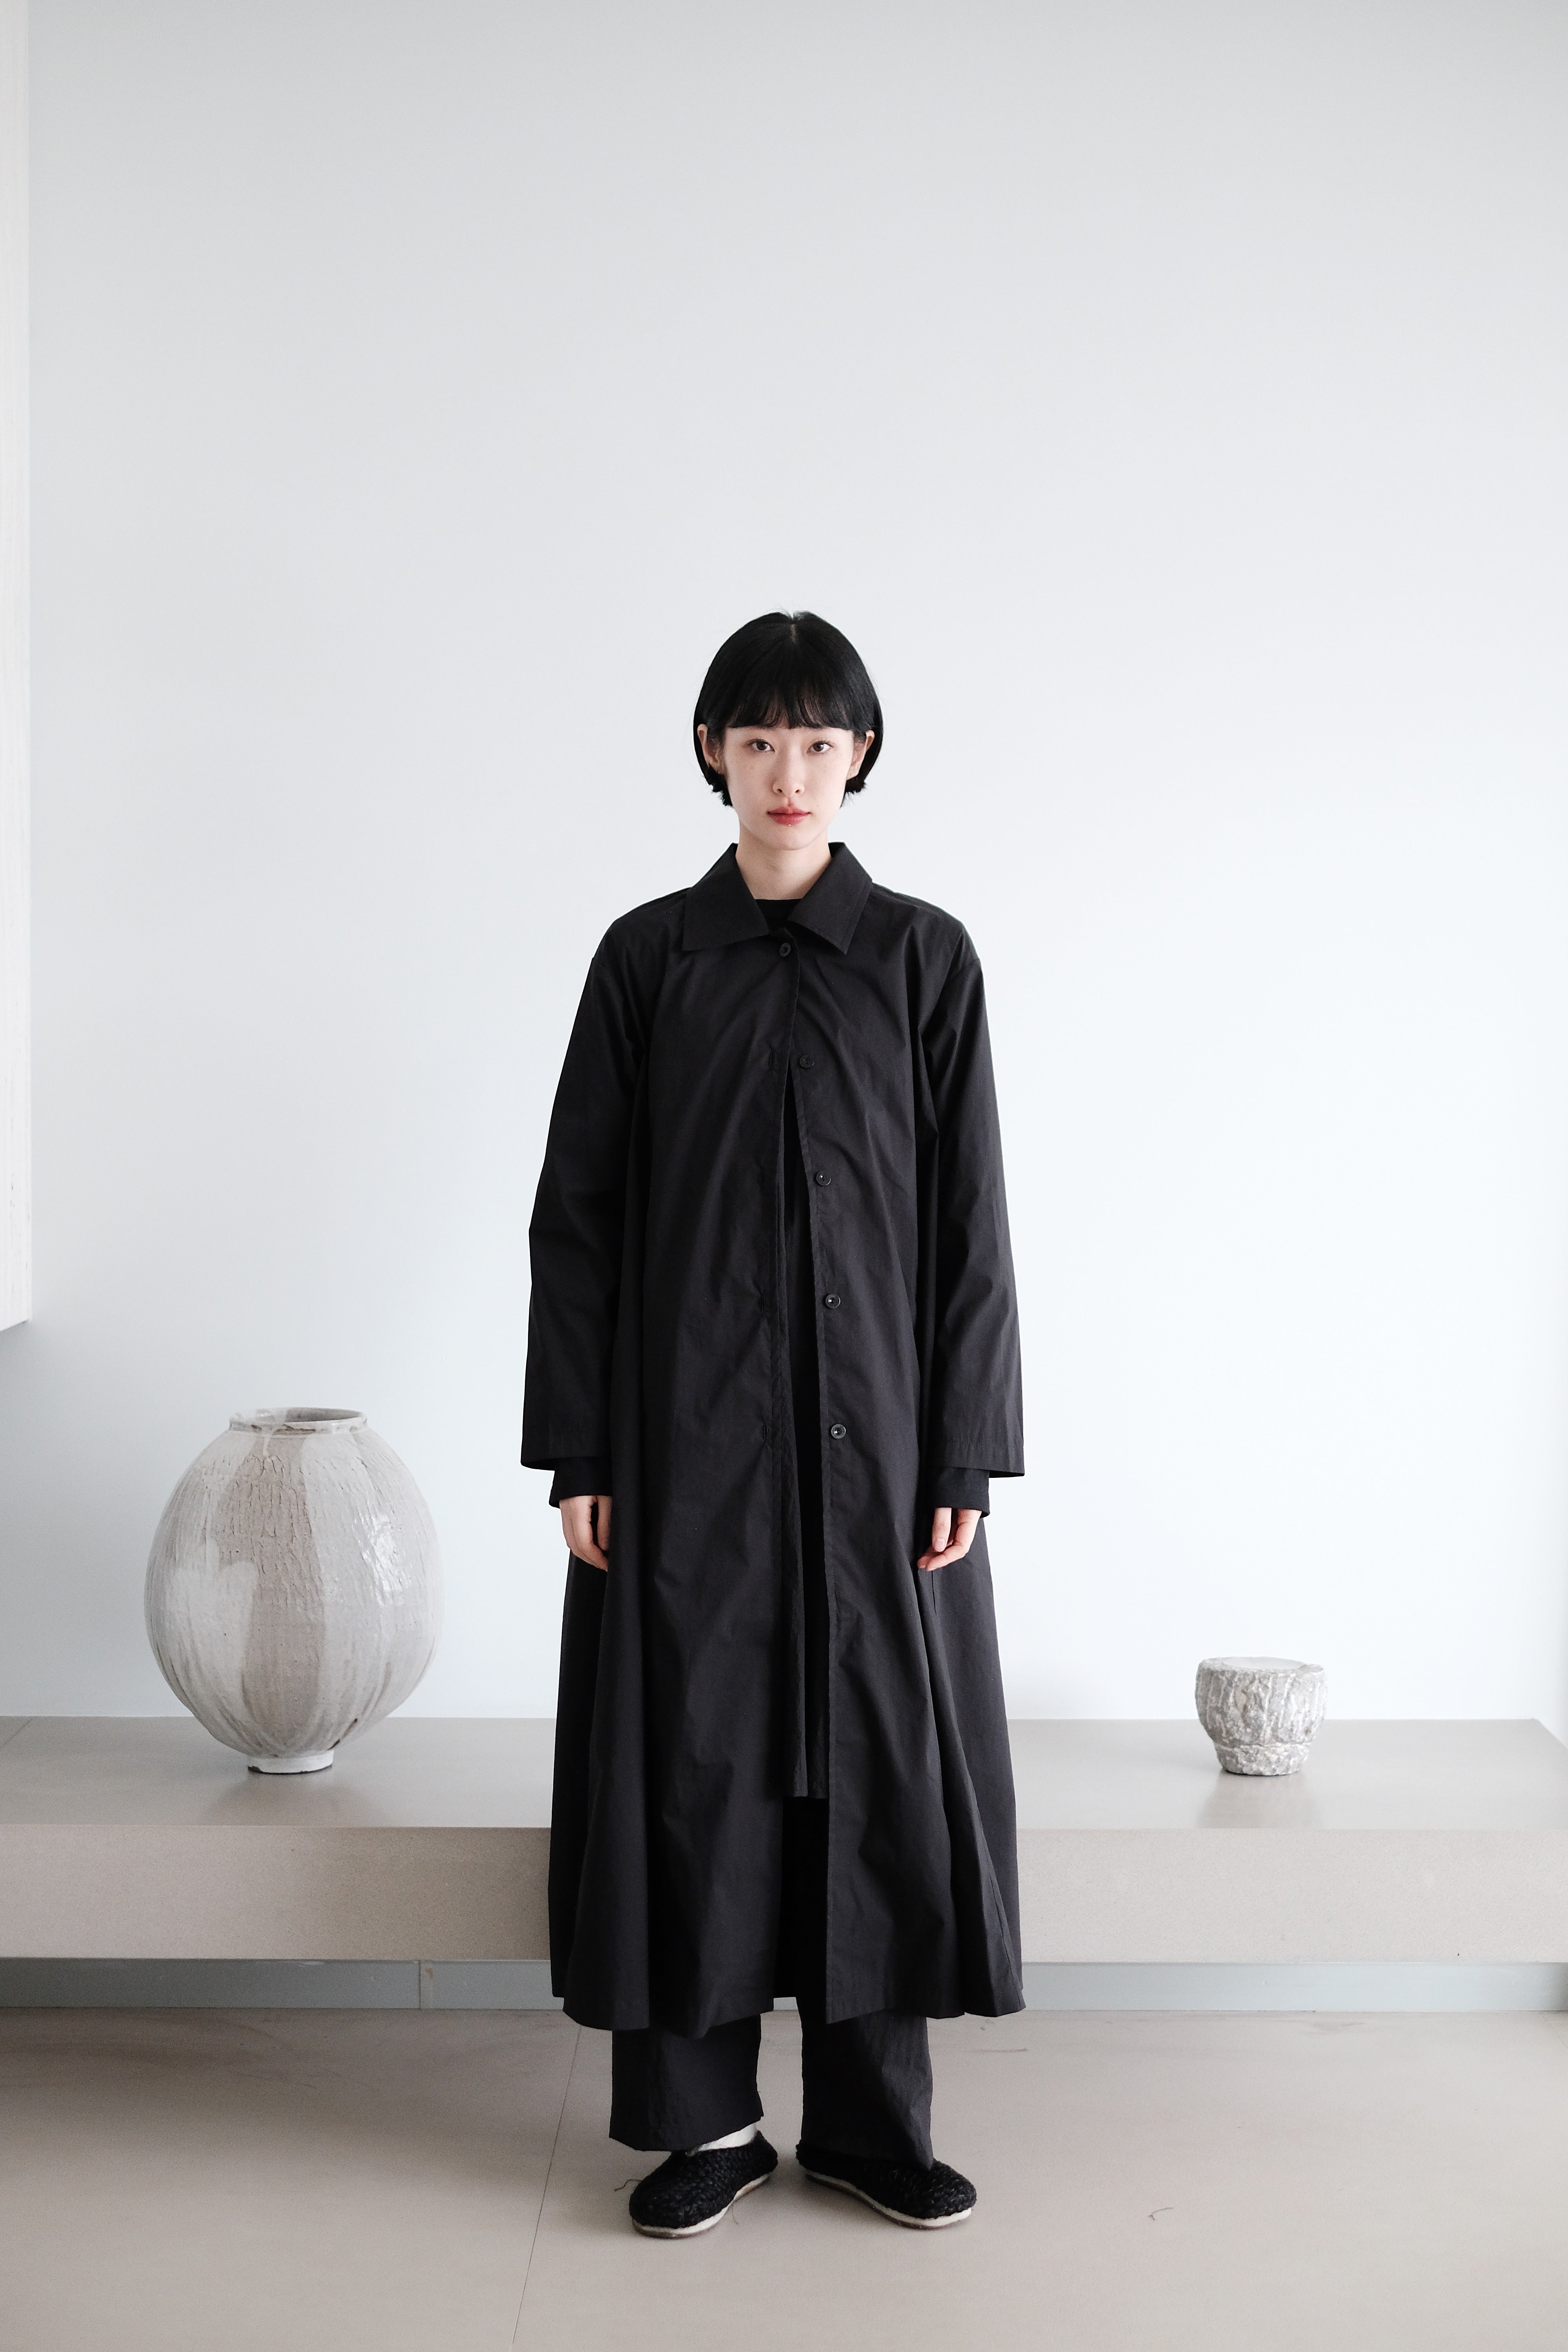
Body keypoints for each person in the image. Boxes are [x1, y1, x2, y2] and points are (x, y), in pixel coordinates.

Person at [521, 610, 1024, 2239]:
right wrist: (583, 1452)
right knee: (696, 1767)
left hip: (883, 1457)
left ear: (860, 756)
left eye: (817, 741)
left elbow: (972, 1225)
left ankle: (873, 2129)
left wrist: (962, 1449)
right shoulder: (647, 962)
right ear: (712, 755)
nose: (788, 773)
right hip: (685, 1453)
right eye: (757, 741)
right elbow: (577, 1220)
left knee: (875, 1766)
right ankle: (707, 2127)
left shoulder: (924, 960)